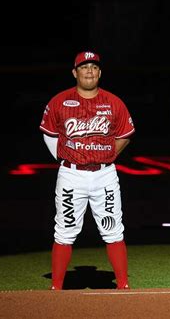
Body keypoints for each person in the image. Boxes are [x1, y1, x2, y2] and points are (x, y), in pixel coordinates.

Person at [39, 50, 135, 290]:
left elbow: (124, 135)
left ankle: (122, 284)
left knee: (113, 228)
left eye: (93, 67)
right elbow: (49, 134)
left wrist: (107, 155)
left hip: (105, 174)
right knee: (65, 229)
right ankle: (57, 287)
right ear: (75, 72)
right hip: (71, 174)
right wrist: (67, 160)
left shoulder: (114, 102)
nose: (89, 71)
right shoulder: (59, 101)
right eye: (84, 67)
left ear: (100, 72)